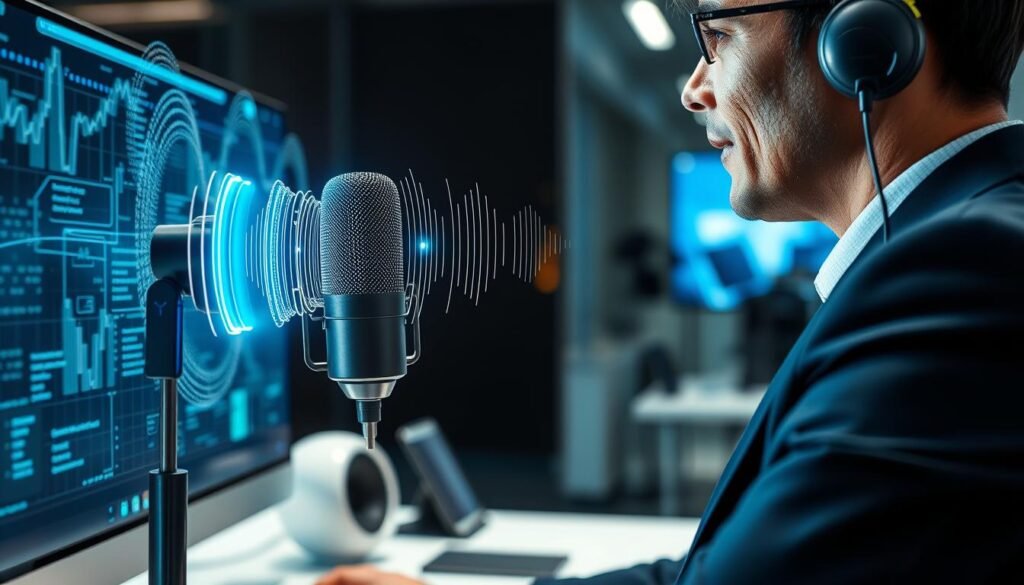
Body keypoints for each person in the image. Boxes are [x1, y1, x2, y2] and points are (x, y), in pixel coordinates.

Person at [317, 0, 1024, 582]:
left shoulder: (966, 272)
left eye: (718, 34)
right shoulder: (957, 250)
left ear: (867, 38)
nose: (693, 88)